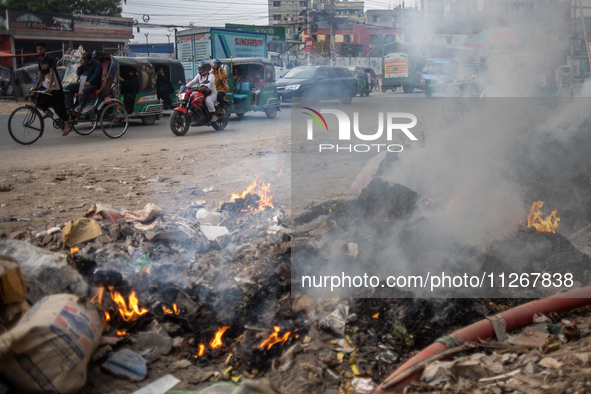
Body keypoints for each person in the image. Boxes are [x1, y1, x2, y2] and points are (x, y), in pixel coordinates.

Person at [32, 41, 71, 136]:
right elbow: (41, 74)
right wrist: (36, 86)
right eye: (38, 49)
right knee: (36, 97)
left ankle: (67, 125)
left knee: (60, 106)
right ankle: (49, 111)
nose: (39, 51)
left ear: (45, 49)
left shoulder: (50, 59)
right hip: (46, 83)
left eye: (41, 49)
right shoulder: (39, 61)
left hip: (55, 85)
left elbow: (52, 72)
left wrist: (50, 87)